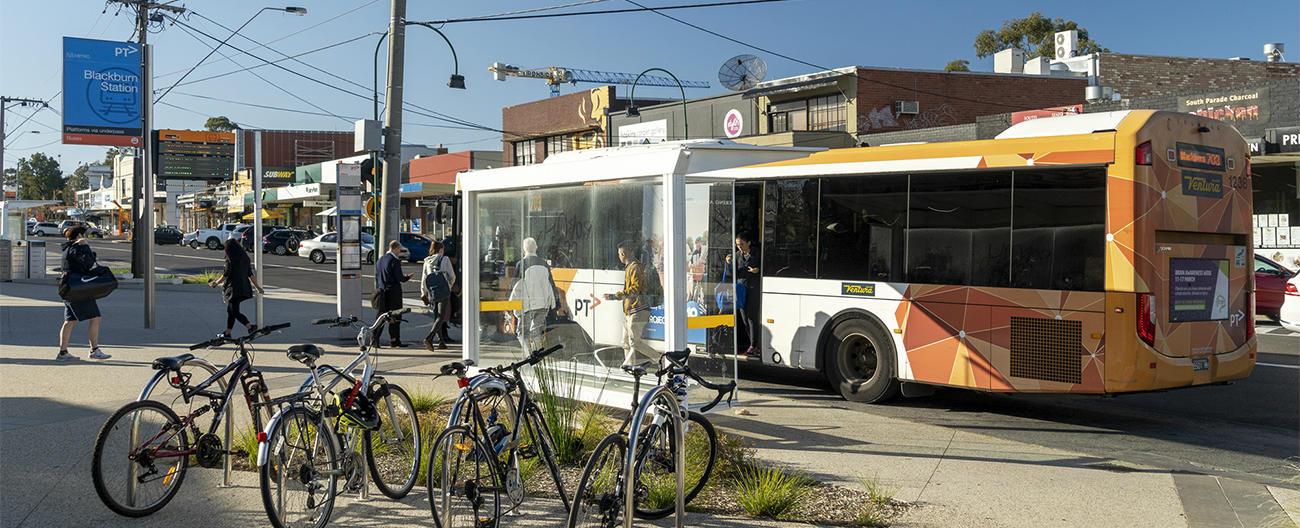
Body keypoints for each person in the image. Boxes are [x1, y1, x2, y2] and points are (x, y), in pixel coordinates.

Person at [57, 226, 110, 361]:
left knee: (70, 320)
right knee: (96, 317)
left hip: (68, 288)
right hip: (78, 289)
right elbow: (89, 263)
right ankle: (94, 350)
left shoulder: (67, 248)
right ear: (80, 235)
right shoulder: (77, 249)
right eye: (85, 234)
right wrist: (85, 246)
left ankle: (63, 352)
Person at [606, 240, 655, 366]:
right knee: (626, 342)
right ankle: (630, 367)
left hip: (637, 310)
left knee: (634, 343)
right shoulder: (632, 267)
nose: (619, 256)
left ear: (623, 254)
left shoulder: (634, 267)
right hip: (631, 310)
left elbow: (635, 289)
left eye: (620, 254)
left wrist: (616, 296)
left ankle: (662, 360)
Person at [509, 237, 557, 354]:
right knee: (536, 331)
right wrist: (555, 303)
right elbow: (551, 285)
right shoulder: (544, 264)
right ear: (536, 248)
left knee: (522, 331)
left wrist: (509, 302)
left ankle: (529, 354)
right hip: (542, 304)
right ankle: (536, 354)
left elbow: (514, 285)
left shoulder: (521, 264)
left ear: (524, 249)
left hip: (527, 305)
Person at [209, 239, 265, 338]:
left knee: (234, 311)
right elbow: (250, 274)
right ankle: (228, 332)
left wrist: (215, 283)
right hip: (244, 288)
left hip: (233, 289)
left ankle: (249, 326)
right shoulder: (245, 258)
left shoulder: (230, 259)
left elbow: (226, 275)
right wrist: (257, 287)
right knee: (231, 310)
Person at [374, 240, 413, 347]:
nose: (400, 251)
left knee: (381, 317)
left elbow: (377, 276)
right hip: (393, 293)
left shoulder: (380, 260)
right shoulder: (394, 260)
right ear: (395, 248)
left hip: (382, 291)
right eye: (399, 249)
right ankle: (394, 340)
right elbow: (399, 278)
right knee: (395, 317)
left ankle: (374, 340)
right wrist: (407, 277)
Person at [420, 240, 456, 351]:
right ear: (441, 249)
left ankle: (441, 342)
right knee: (441, 317)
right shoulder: (444, 259)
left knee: (437, 316)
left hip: (432, 292)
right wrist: (449, 286)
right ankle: (429, 338)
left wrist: (423, 293)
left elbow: (424, 279)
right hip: (443, 291)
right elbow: (452, 276)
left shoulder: (427, 261)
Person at [735, 232, 761, 358]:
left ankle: (754, 345)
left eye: (741, 244)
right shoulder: (736, 255)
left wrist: (758, 270)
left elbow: (768, 266)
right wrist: (728, 263)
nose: (739, 247)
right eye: (737, 245)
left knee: (752, 317)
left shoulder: (757, 253)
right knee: (744, 318)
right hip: (741, 289)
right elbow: (731, 272)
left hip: (753, 289)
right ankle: (752, 344)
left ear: (749, 243)